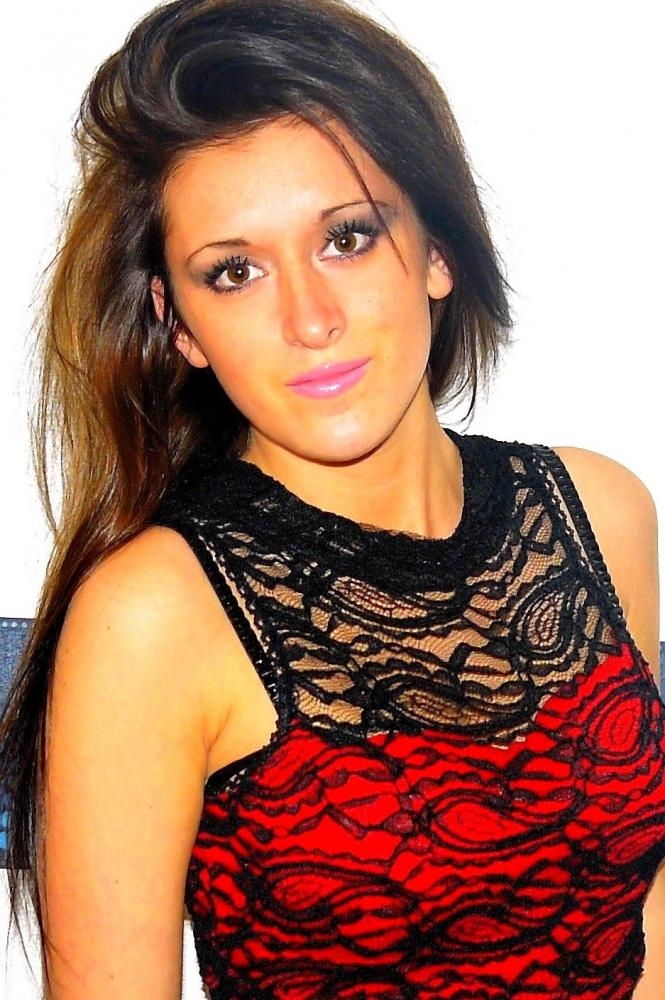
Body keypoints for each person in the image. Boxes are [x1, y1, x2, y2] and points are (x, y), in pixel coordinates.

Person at [0, 0, 662, 997]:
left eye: (346, 238)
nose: (308, 319)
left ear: (436, 251)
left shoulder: (600, 511)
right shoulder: (152, 617)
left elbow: (640, 917)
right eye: (234, 272)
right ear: (179, 326)